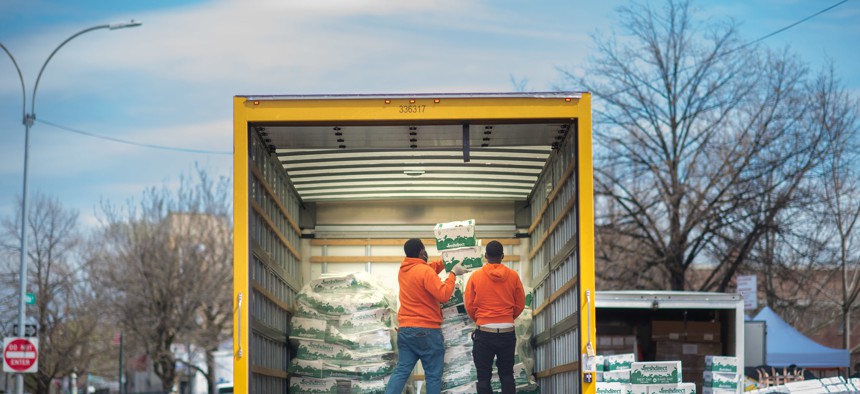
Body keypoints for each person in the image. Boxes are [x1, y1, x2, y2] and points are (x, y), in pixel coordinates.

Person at [386, 238, 466, 394]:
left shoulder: (404, 270)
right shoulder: (425, 271)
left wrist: (446, 261)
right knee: (433, 375)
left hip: (405, 330)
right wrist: (453, 274)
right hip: (427, 331)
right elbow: (443, 294)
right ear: (422, 252)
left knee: (401, 371)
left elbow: (427, 269)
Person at [464, 240, 525, 394]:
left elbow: (469, 305)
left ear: (485, 256)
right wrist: (507, 317)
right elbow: (520, 303)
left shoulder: (475, 276)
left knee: (483, 378)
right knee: (507, 375)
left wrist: (480, 319)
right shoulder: (513, 276)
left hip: (484, 332)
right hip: (507, 332)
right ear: (502, 256)